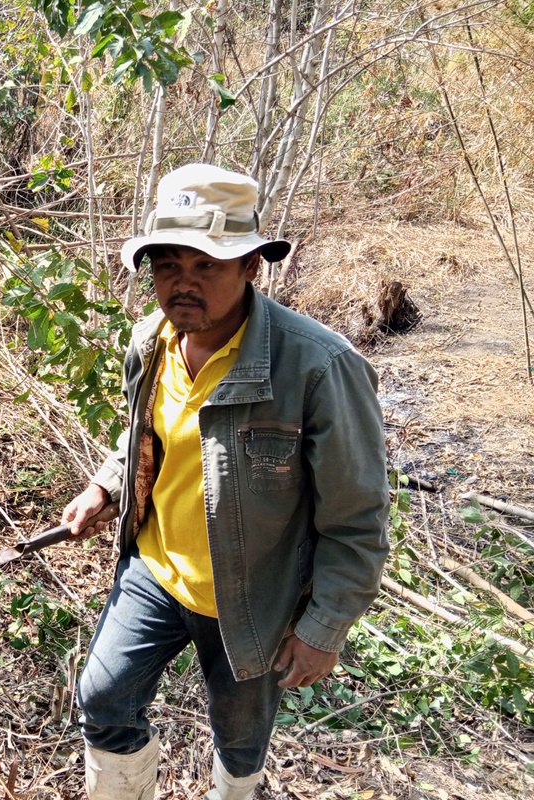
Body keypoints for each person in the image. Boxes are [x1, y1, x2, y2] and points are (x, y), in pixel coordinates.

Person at [59, 163, 390, 800]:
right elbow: (147, 433)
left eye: (205, 265)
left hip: (253, 600)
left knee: (240, 743)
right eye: (167, 266)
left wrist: (323, 628)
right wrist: (105, 486)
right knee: (102, 701)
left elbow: (356, 516)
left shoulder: (319, 366)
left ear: (251, 266)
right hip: (155, 571)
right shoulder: (152, 339)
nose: (183, 285)